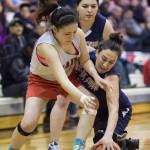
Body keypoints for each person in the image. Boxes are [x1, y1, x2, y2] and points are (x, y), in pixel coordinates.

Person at [8, 0, 110, 150]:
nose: (72, 36)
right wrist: (82, 97)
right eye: (67, 33)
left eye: (74, 31)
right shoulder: (46, 46)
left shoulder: (78, 34)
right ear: (54, 30)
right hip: (42, 81)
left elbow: (85, 60)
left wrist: (97, 77)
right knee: (29, 123)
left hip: (68, 77)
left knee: (92, 105)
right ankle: (12, 148)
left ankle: (77, 146)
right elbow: (60, 78)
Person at [76, 33, 132, 150]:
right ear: (97, 52)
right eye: (104, 59)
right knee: (101, 142)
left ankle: (122, 142)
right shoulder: (86, 56)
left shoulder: (112, 77)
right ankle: (125, 143)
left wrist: (108, 136)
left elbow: (114, 109)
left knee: (104, 145)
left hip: (120, 110)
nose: (106, 64)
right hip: (99, 111)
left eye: (111, 62)